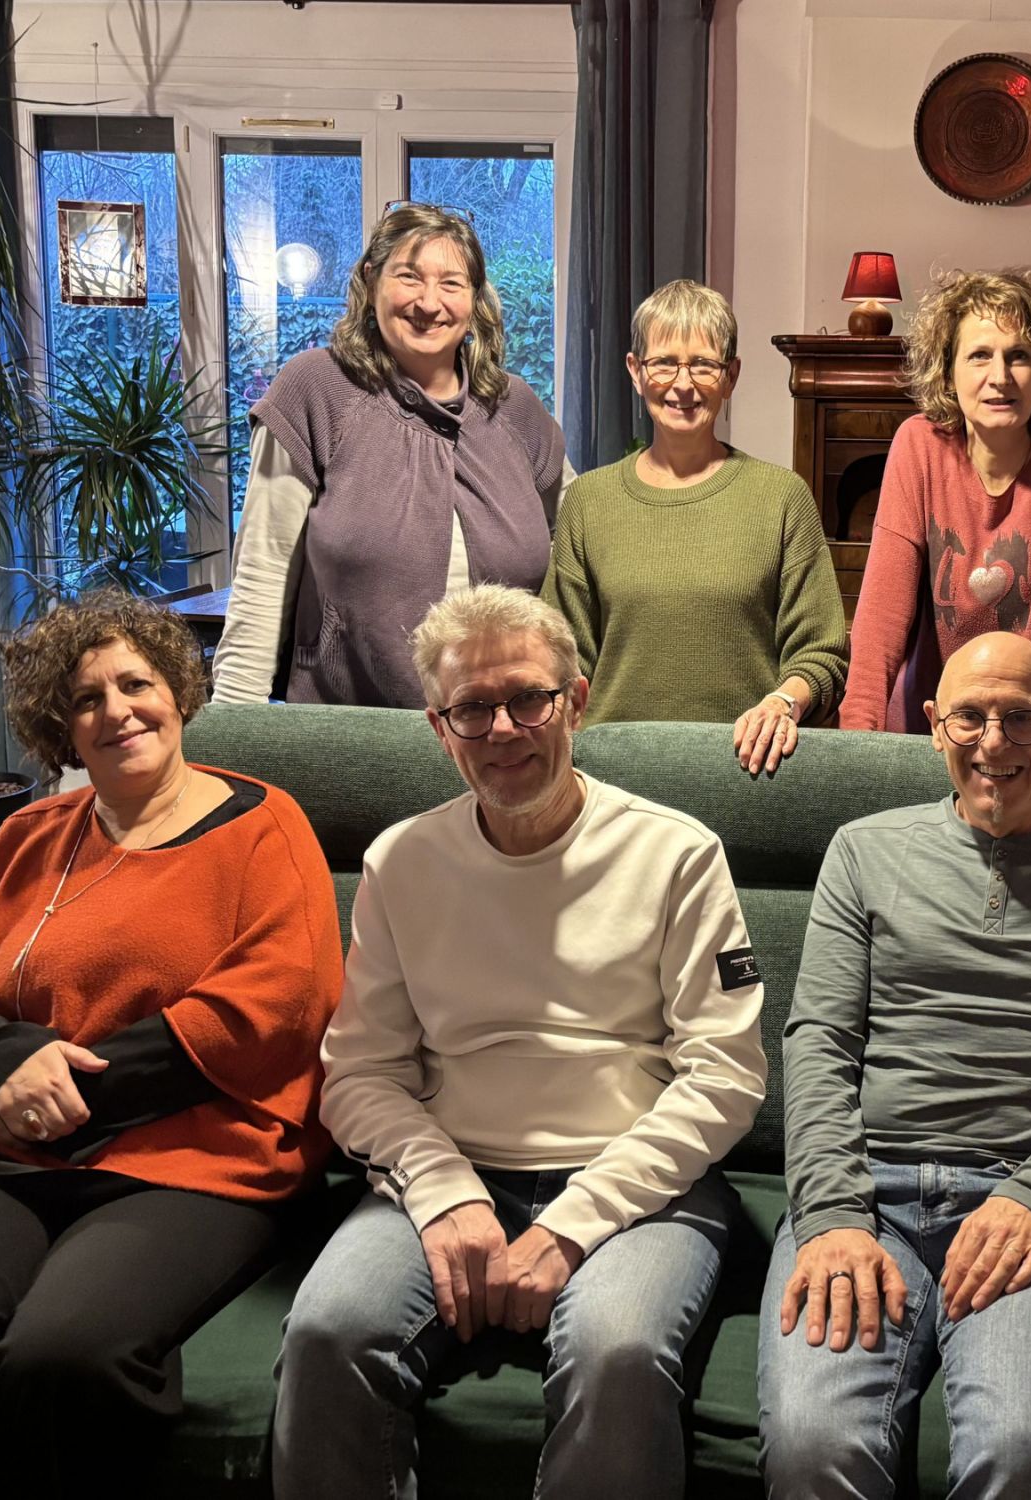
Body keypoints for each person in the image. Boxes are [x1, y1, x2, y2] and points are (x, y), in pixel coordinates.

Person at [273, 583, 768, 1500]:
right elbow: (359, 1075)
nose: (503, 729)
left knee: (617, 1352)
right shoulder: (400, 862)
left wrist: (572, 1226)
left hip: (639, 1182)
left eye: (528, 699)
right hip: (453, 1169)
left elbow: (726, 1077)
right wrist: (444, 1191)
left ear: (575, 701)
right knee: (327, 1333)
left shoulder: (677, 853)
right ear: (439, 728)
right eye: (472, 708)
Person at [0, 590, 342, 1499]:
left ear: (179, 692)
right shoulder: (25, 837)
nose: (117, 711)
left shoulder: (264, 827)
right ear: (62, 731)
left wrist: (66, 1087)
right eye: (86, 699)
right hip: (1, 1140)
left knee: (65, 1354)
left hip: (193, 1153)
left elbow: (275, 1004)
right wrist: (11, 1069)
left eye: (135, 684)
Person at [758, 631, 1031, 1497]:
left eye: (1023, 719)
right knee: (811, 1444)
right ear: (933, 726)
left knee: (1023, 1449)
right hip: (867, 1191)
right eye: (970, 718)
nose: (994, 743)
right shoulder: (863, 851)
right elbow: (819, 1042)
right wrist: (832, 1214)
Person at [212, 202, 568, 709]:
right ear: (370, 280)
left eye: (451, 283)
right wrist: (233, 727)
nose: (429, 302)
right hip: (353, 733)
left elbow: (580, 542)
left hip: (502, 729)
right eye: (409, 276)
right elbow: (262, 575)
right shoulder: (315, 390)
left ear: (474, 299)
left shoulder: (515, 408)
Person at [543, 279, 847, 776]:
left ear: (731, 376)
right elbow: (559, 658)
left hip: (746, 772)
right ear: (636, 372)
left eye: (703, 365)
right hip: (611, 776)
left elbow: (822, 654)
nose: (682, 384)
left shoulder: (782, 498)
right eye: (664, 363)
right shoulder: (587, 503)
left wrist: (783, 702)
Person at [838, 270, 1031, 741]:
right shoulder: (919, 445)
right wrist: (857, 750)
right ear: (948, 372)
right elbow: (879, 623)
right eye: (979, 356)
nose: (1000, 377)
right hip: (931, 731)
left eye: (1019, 356)